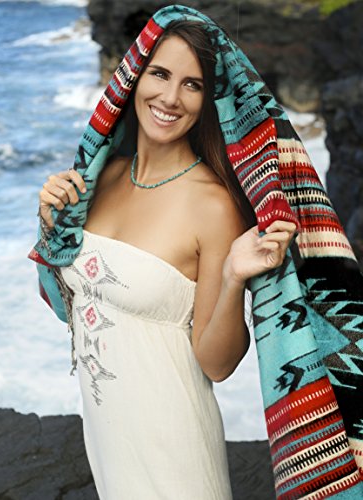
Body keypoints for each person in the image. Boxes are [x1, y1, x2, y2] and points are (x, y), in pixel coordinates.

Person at [29, 4, 363, 500]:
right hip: (107, 440)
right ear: (133, 77)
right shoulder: (102, 179)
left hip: (174, 449)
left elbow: (216, 364)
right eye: (160, 74)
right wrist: (51, 225)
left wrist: (232, 277)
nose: (170, 97)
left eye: (193, 84)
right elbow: (67, 306)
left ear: (210, 99)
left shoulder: (213, 206)